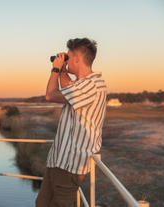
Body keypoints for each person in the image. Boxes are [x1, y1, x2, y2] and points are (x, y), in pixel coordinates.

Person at [35, 38, 107, 207]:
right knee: (42, 203)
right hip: (58, 160)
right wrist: (62, 72)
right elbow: (68, 90)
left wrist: (55, 69)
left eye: (68, 56)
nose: (66, 60)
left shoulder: (92, 85)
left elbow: (50, 95)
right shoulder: (81, 85)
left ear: (76, 58)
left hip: (70, 164)